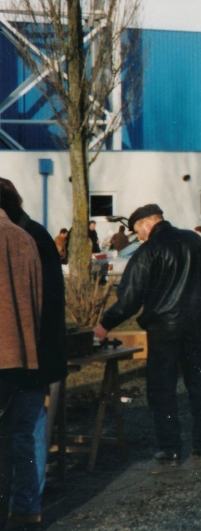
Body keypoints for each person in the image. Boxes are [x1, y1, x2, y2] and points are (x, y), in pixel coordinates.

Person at [94, 204, 201, 465]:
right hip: (196, 326)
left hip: (163, 329)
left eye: (137, 231)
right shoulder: (195, 241)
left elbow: (130, 298)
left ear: (145, 224)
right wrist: (199, 304)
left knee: (162, 389)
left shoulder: (148, 252)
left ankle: (171, 448)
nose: (138, 237)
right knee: (200, 386)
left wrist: (105, 323)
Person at [0, 179, 67, 527]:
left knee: (25, 429)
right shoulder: (32, 234)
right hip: (34, 350)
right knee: (27, 429)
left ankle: (25, 503)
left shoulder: (26, 237)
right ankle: (26, 505)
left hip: (28, 351)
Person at [0, 187, 44, 523]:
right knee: (17, 440)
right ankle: (23, 513)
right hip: (22, 357)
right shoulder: (25, 238)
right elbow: (36, 301)